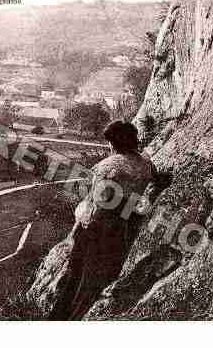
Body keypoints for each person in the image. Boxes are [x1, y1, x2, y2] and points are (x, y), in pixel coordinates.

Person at [50, 120, 156, 320]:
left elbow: (96, 205)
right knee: (99, 281)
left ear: (113, 143)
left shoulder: (107, 167)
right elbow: (158, 180)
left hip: (97, 231)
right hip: (122, 229)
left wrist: (77, 231)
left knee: (76, 281)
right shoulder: (146, 164)